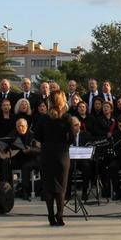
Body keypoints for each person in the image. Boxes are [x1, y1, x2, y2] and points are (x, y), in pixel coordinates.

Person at [36, 91, 73, 226]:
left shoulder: (43, 118)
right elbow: (73, 138)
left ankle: (51, 215)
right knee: (61, 187)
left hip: (46, 154)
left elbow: (38, 137)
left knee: (48, 186)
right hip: (62, 155)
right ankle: (60, 215)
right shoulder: (67, 118)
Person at [4, 118, 40, 200]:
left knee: (26, 166)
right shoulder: (13, 134)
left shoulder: (33, 135)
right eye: (18, 126)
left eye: (22, 126)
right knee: (6, 162)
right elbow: (4, 143)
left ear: (27, 126)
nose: (20, 128)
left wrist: (30, 149)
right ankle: (8, 188)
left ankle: (25, 191)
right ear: (16, 127)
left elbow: (39, 149)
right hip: (18, 159)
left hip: (30, 160)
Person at [68, 116, 95, 201]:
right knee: (67, 168)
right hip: (71, 159)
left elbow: (90, 148)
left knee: (86, 167)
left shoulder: (86, 134)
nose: (75, 127)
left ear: (79, 124)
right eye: (73, 125)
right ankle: (67, 193)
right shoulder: (68, 135)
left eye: (77, 124)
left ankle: (84, 192)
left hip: (82, 159)